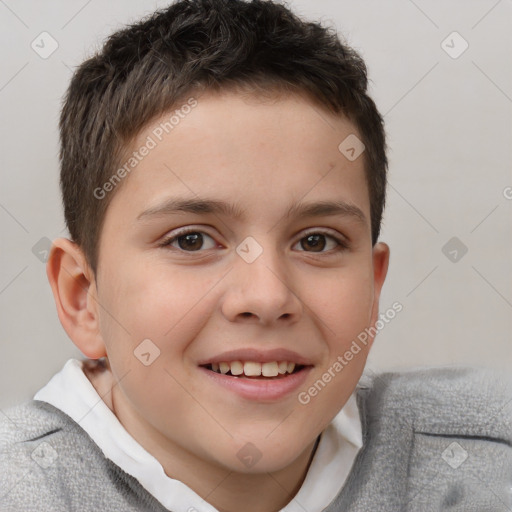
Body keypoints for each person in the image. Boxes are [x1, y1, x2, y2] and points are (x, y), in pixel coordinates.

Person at [1, 1, 510, 510]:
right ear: (83, 297)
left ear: (373, 288)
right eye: (191, 240)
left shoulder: (486, 461)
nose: (267, 297)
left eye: (317, 241)